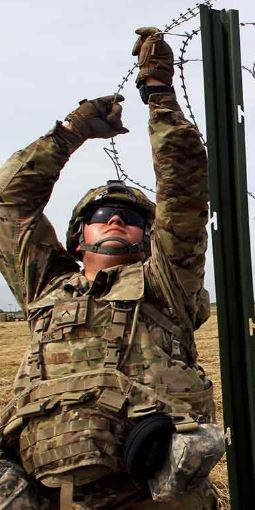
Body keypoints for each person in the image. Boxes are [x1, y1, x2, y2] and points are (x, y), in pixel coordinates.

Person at [0, 28, 222, 509]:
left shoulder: (165, 283)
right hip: (44, 498)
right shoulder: (47, 285)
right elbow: (10, 201)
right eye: (102, 216)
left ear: (148, 236)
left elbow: (183, 189)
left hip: (151, 496)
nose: (117, 219)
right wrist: (72, 130)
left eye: (134, 218)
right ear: (78, 237)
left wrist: (159, 94)